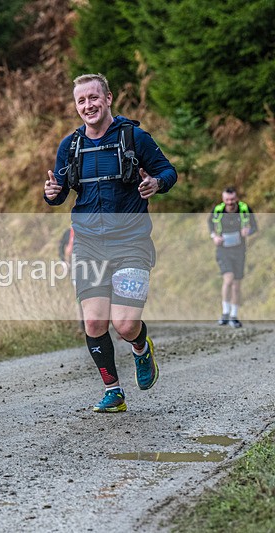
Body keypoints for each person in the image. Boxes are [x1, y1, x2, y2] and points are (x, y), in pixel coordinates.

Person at [44, 73, 177, 413]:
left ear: (108, 98)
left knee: (125, 325)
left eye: (93, 98)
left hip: (131, 243)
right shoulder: (70, 146)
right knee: (94, 323)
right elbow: (59, 191)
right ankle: (113, 391)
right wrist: (52, 193)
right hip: (88, 246)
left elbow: (168, 171)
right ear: (76, 106)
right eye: (81, 100)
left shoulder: (134, 137)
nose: (88, 105)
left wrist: (156, 183)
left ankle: (141, 347)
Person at [208, 187, 257, 328]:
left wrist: (248, 231)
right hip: (223, 250)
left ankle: (233, 316)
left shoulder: (244, 209)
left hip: (240, 250)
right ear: (223, 199)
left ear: (236, 198)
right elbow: (210, 224)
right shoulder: (218, 210)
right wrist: (214, 236)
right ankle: (225, 312)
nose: (230, 202)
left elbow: (255, 227)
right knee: (228, 279)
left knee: (237, 285)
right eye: (227, 199)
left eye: (232, 199)